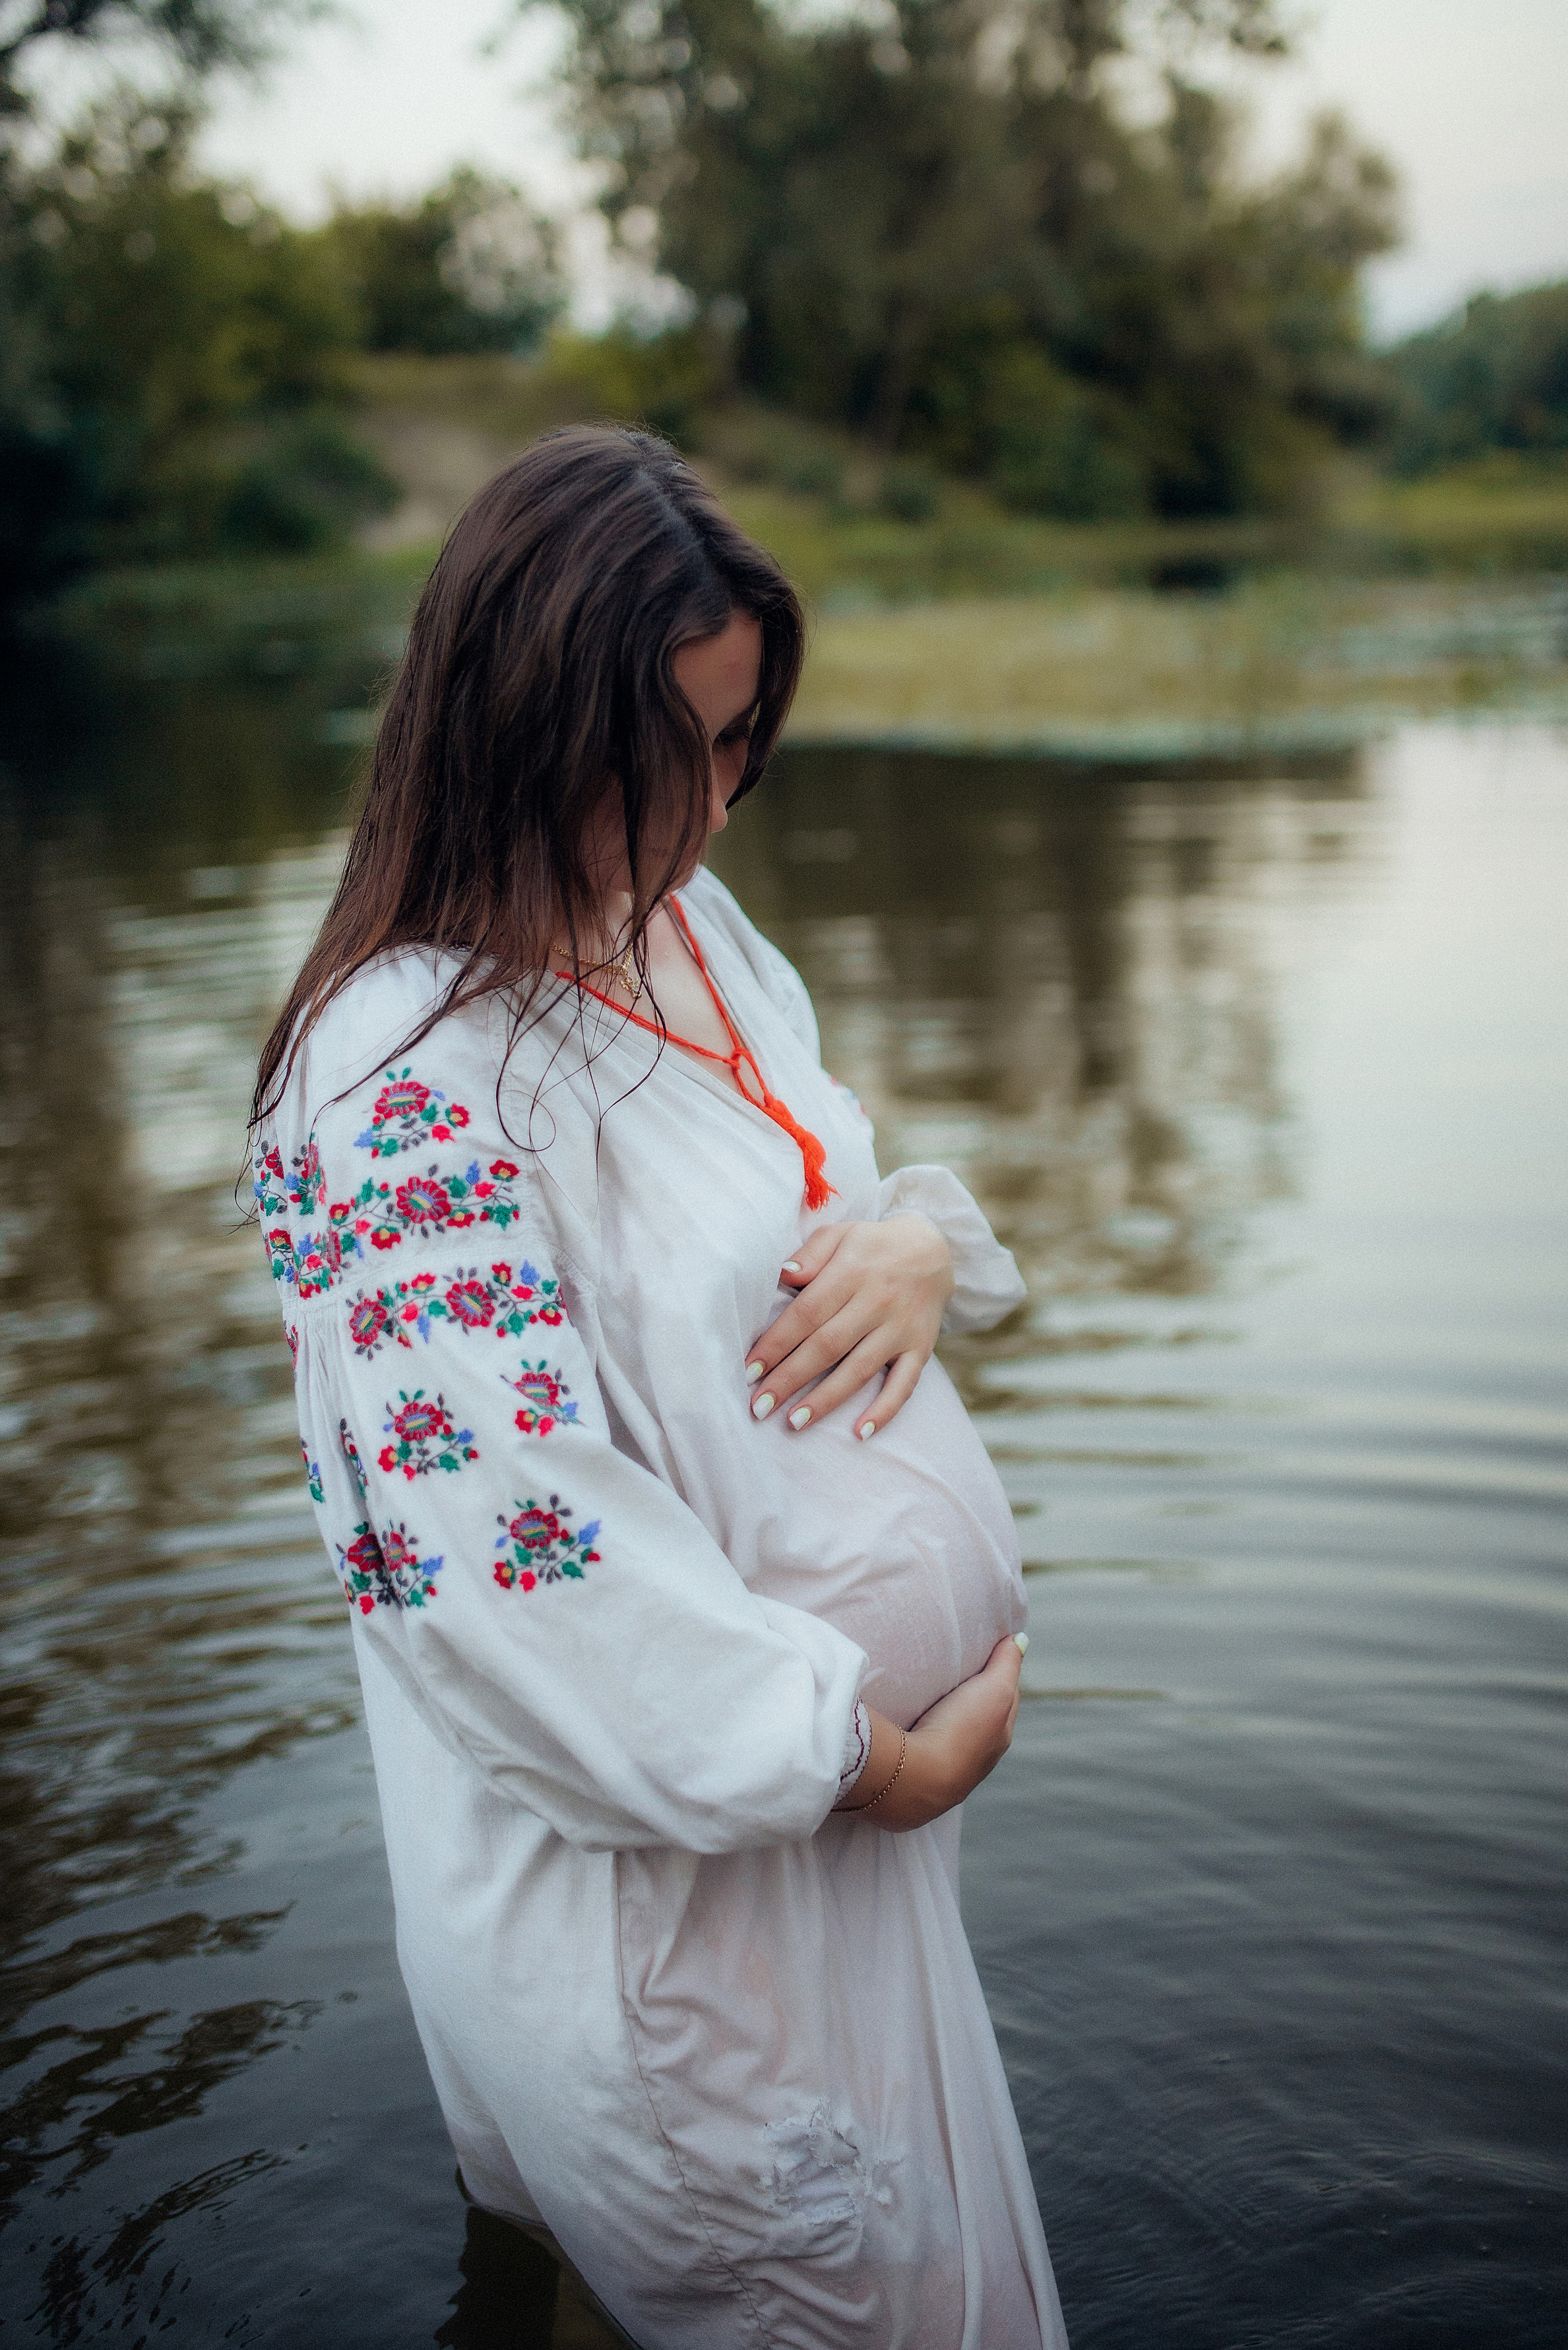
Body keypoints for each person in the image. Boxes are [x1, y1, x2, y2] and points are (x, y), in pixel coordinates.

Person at [251, 427, 1068, 2350]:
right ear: (515, 732)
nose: (708, 809)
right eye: (659, 758)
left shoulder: (680, 926)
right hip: (680, 1921)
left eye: (734, 744)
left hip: (822, 1879)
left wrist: (924, 1239)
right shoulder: (401, 1085)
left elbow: (792, 1214)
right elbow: (513, 1574)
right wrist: (887, 1759)